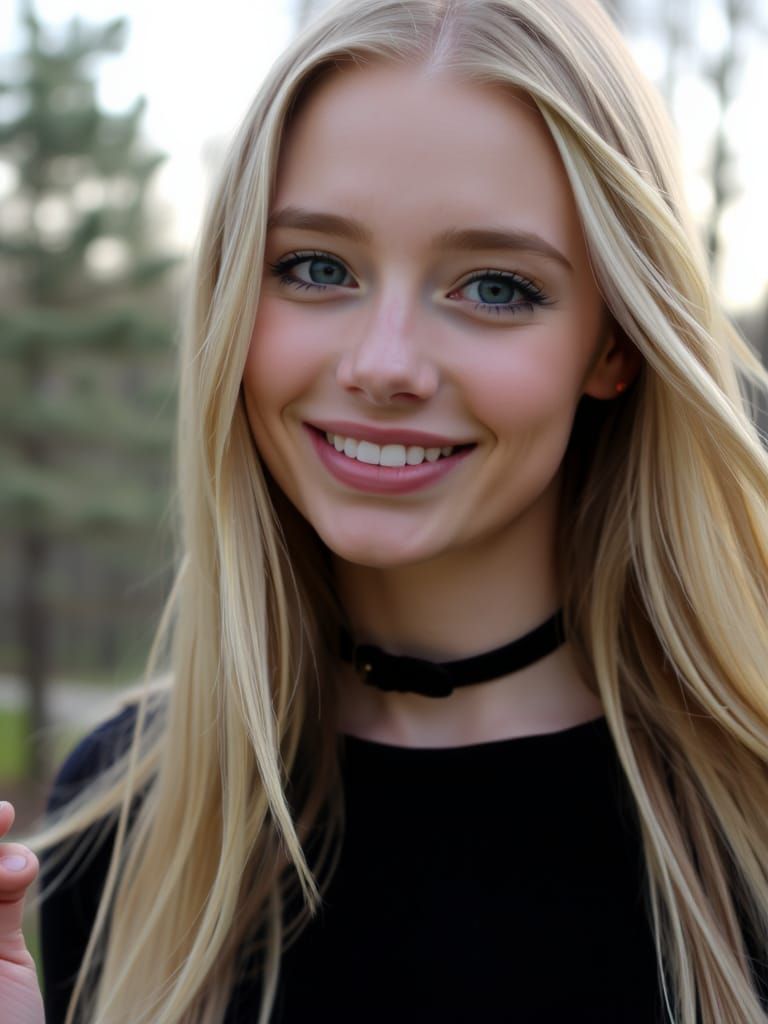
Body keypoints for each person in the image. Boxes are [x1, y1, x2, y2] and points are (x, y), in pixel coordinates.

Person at [2, 0, 768, 1020]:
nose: (384, 365)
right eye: (317, 268)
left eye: (495, 287)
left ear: (617, 344)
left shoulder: (747, 826)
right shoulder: (131, 811)